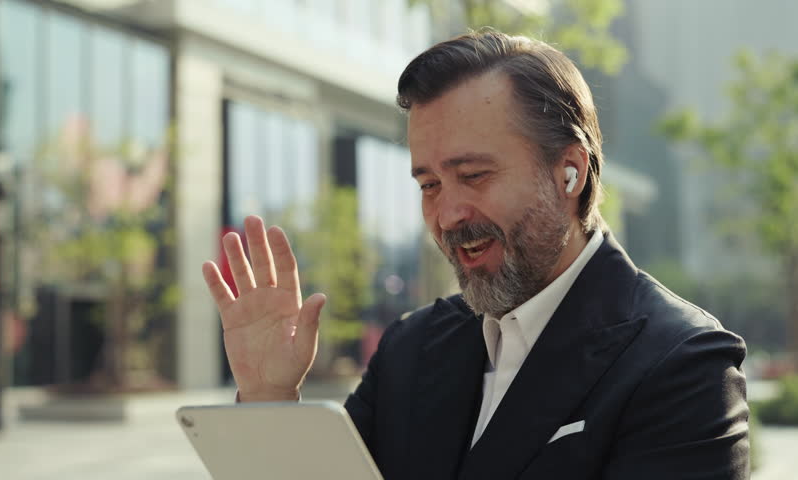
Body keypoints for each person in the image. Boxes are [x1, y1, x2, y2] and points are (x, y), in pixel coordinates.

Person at [202, 30, 749, 479]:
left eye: (474, 175)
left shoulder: (682, 365)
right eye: (429, 184)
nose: (447, 214)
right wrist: (269, 397)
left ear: (570, 172)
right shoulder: (410, 349)